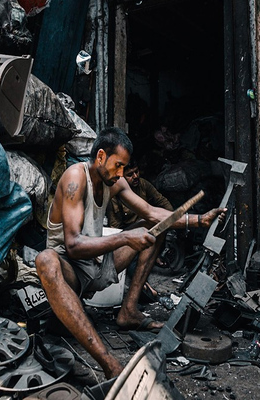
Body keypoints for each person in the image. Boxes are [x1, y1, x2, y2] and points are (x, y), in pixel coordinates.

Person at [35, 127, 226, 378]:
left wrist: (197, 220)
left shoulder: (113, 180)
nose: (121, 174)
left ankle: (129, 311)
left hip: (98, 267)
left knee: (153, 228)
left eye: (124, 167)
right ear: (101, 156)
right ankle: (109, 364)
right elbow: (73, 246)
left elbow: (151, 212)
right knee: (45, 260)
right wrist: (125, 237)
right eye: (118, 166)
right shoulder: (75, 179)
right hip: (72, 271)